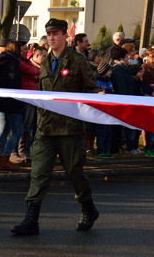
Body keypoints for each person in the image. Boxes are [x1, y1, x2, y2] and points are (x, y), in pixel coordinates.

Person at [11, 18, 101, 236]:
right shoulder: (43, 61)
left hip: (69, 130)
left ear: (64, 36)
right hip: (45, 128)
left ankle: (88, 208)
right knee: (39, 174)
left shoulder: (77, 61)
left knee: (74, 173)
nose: (51, 38)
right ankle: (31, 220)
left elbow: (91, 88)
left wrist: (98, 97)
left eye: (56, 34)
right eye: (48, 34)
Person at [0, 40, 23, 171]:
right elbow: (13, 83)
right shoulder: (12, 63)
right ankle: (5, 157)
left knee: (3, 130)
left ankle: (2, 158)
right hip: (11, 101)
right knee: (18, 130)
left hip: (1, 100)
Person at [15, 44, 45, 163]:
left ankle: (25, 151)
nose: (26, 52)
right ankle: (18, 151)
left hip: (34, 97)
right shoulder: (23, 63)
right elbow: (31, 71)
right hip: (26, 97)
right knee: (24, 126)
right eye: (44, 56)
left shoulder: (28, 63)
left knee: (30, 127)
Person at [135, 45, 154, 157]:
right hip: (148, 94)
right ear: (147, 57)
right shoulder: (144, 67)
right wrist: (150, 90)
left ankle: (151, 145)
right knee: (147, 122)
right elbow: (143, 80)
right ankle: (147, 145)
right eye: (152, 56)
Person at [94, 62, 114, 158]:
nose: (111, 72)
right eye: (109, 70)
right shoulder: (98, 82)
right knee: (101, 131)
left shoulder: (109, 81)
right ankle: (100, 150)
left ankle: (107, 150)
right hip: (101, 111)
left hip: (109, 111)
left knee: (108, 132)